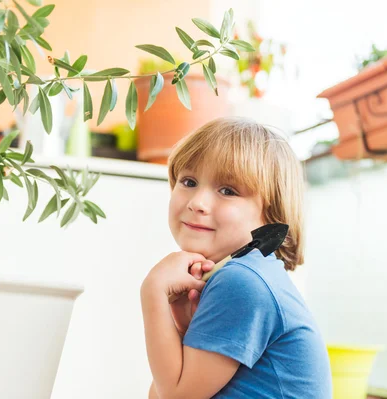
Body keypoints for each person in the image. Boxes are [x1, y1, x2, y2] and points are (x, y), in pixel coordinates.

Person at [140, 117, 332, 398]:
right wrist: (185, 328)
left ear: (270, 212)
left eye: (228, 190)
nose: (197, 203)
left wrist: (153, 290)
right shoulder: (243, 273)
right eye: (188, 181)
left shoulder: (242, 281)